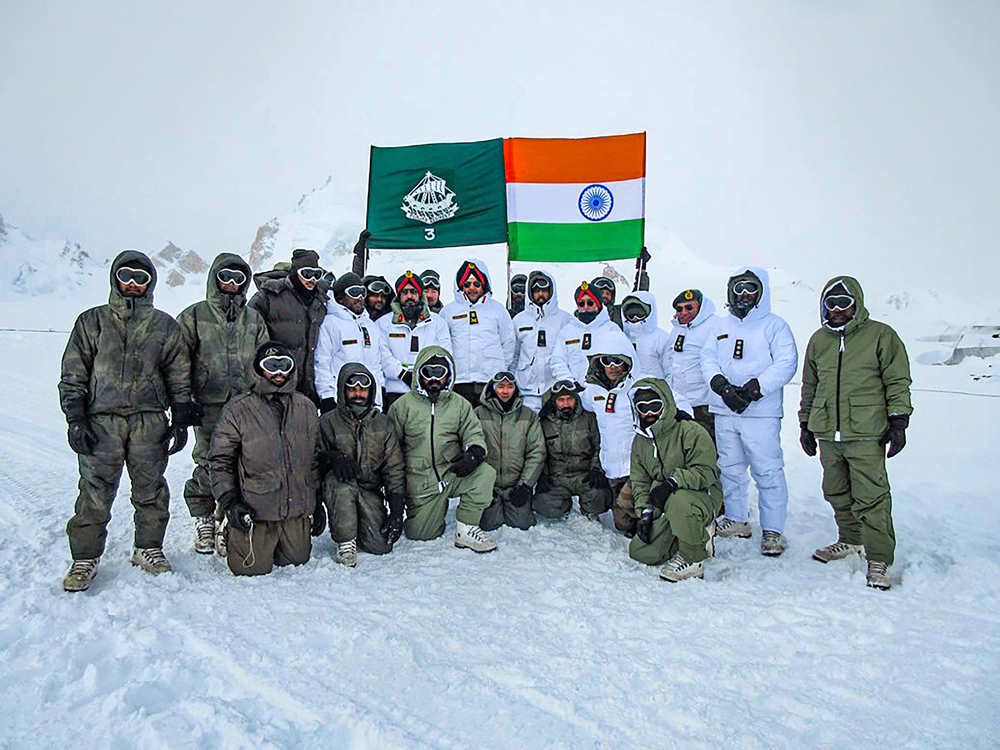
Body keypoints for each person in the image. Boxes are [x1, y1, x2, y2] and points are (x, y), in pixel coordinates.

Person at [60, 250, 196, 592]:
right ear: (114, 279)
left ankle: (148, 547)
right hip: (101, 419)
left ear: (151, 282)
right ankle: (85, 557)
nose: (133, 284)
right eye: (126, 276)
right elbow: (74, 374)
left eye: (141, 278)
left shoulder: (164, 325)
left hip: (148, 419)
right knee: (94, 489)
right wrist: (75, 418)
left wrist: (180, 418)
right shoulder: (92, 322)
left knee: (150, 487)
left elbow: (178, 374)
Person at [799, 276, 912, 590]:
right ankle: (850, 539)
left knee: (871, 497)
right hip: (827, 431)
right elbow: (810, 386)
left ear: (856, 304)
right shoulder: (819, 340)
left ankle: (879, 558)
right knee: (835, 490)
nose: (836, 309)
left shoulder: (880, 336)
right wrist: (805, 424)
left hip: (865, 431)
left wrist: (898, 420)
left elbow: (897, 381)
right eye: (830, 303)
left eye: (843, 303)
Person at [700, 266, 798, 556]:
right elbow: (707, 357)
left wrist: (755, 389)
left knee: (767, 470)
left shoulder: (774, 326)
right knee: (729, 468)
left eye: (750, 289)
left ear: (761, 292)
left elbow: (786, 363)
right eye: (738, 289)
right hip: (725, 409)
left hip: (760, 412)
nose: (743, 295)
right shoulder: (720, 326)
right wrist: (720, 386)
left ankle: (772, 530)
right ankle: (737, 518)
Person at [177, 252, 268, 554]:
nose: (231, 284)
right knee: (209, 459)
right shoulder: (194, 316)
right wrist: (184, 400)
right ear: (214, 280)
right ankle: (203, 515)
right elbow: (178, 361)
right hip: (208, 402)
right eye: (225, 278)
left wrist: (263, 396)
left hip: (245, 402)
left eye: (238, 279)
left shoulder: (253, 318)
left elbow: (264, 359)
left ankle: (225, 515)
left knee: (243, 458)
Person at [209, 342, 322, 576]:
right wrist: (230, 501)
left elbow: (313, 458)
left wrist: (316, 500)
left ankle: (289, 533)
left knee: (297, 559)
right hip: (255, 507)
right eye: (272, 366)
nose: (279, 373)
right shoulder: (238, 410)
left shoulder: (306, 407)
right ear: (258, 370)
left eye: (285, 366)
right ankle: (227, 527)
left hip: (294, 506)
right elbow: (220, 460)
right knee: (250, 568)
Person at [387, 346, 498, 552]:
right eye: (428, 372)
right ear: (419, 374)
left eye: (440, 373)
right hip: (421, 481)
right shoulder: (402, 407)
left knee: (485, 474)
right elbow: (391, 450)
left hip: (452, 472)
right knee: (421, 534)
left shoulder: (460, 404)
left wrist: (473, 453)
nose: (434, 378)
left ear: (449, 375)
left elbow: (473, 432)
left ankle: (466, 528)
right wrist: (397, 491)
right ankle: (432, 510)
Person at [628, 378, 723, 581]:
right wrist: (645, 512)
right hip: (666, 503)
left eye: (655, 406)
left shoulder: (690, 431)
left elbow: (707, 472)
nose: (649, 413)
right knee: (641, 552)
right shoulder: (640, 441)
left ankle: (693, 558)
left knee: (678, 500)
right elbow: (640, 481)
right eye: (642, 408)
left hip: (700, 497)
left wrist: (673, 482)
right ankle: (688, 533)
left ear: (666, 404)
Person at [318, 363, 406, 567]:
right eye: (352, 389)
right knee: (339, 483)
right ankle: (345, 540)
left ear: (371, 391)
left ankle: (360, 523)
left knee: (380, 546)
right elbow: (315, 460)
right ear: (342, 390)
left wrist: (396, 510)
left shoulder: (383, 423)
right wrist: (332, 458)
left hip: (369, 490)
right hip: (339, 487)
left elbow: (394, 467)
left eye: (363, 389)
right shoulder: (327, 421)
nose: (358, 394)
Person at [249, 248, 328, 406]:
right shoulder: (269, 296)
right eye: (306, 273)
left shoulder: (320, 301)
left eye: (316, 275)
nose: (311, 279)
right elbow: (248, 334)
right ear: (295, 273)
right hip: (275, 384)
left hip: (307, 388)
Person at [578, 334, 640, 529]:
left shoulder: (638, 387)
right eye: (607, 361)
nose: (612, 366)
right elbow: (577, 401)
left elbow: (672, 398)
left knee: (639, 519)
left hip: (636, 467)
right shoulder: (593, 392)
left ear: (627, 363)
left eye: (617, 361)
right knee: (622, 524)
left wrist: (681, 413)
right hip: (611, 467)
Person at [475, 371, 546, 531]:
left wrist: (525, 486)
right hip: (489, 487)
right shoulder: (477, 414)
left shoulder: (528, 416)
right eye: (500, 386)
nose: (505, 391)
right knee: (488, 524)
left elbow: (537, 452)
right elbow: (470, 451)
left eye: (509, 387)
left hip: (516, 486)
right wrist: (481, 486)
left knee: (522, 525)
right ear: (492, 389)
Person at [441, 259, 515, 408]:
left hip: (489, 380)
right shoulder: (448, 312)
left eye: (476, 284)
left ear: (484, 285)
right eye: (467, 284)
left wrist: (498, 367)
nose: (472, 288)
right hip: (460, 381)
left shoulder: (498, 310)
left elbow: (508, 344)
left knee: (488, 425)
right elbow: (442, 346)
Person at [314, 272, 392, 412]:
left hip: (369, 399)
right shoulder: (330, 323)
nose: (360, 297)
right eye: (354, 293)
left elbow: (376, 364)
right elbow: (322, 362)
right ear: (341, 298)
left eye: (362, 292)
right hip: (342, 399)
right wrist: (326, 396)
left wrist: (380, 393)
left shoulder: (369, 325)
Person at [378, 270, 453, 410]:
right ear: (399, 296)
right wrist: (402, 374)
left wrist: (425, 377)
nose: (409, 296)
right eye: (405, 292)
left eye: (413, 292)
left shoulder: (437, 323)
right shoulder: (384, 323)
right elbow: (383, 355)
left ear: (420, 294)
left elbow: (444, 353)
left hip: (427, 391)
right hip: (395, 390)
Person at [533, 381, 609, 519]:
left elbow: (600, 446)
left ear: (576, 399)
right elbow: (539, 452)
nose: (566, 404)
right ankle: (563, 506)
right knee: (543, 504)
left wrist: (596, 469)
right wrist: (542, 475)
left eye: (570, 399)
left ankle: (590, 510)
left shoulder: (589, 418)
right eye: (561, 400)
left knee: (600, 495)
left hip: (585, 474)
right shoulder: (544, 423)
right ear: (554, 402)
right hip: (558, 476)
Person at [620, 290, 694, 417]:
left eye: (639, 314)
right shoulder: (621, 338)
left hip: (655, 396)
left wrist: (670, 398)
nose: (635, 318)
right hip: (627, 396)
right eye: (630, 315)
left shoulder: (661, 338)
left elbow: (670, 372)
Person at [511, 270, 572, 412]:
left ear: (551, 291)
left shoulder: (565, 320)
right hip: (526, 389)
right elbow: (514, 355)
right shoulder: (519, 320)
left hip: (555, 389)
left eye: (544, 291)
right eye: (536, 291)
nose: (540, 295)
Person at [551, 281, 630, 386]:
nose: (586, 307)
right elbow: (558, 361)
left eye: (590, 303)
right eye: (581, 303)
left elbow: (623, 360)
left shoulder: (611, 329)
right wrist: (570, 382)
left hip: (601, 391)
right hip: (573, 393)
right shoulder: (567, 331)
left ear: (598, 304)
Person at [666, 289, 720, 442]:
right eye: (679, 309)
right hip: (680, 402)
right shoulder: (677, 329)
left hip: (704, 404)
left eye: (689, 307)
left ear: (700, 307)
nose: (684, 312)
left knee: (706, 447)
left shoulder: (714, 326)